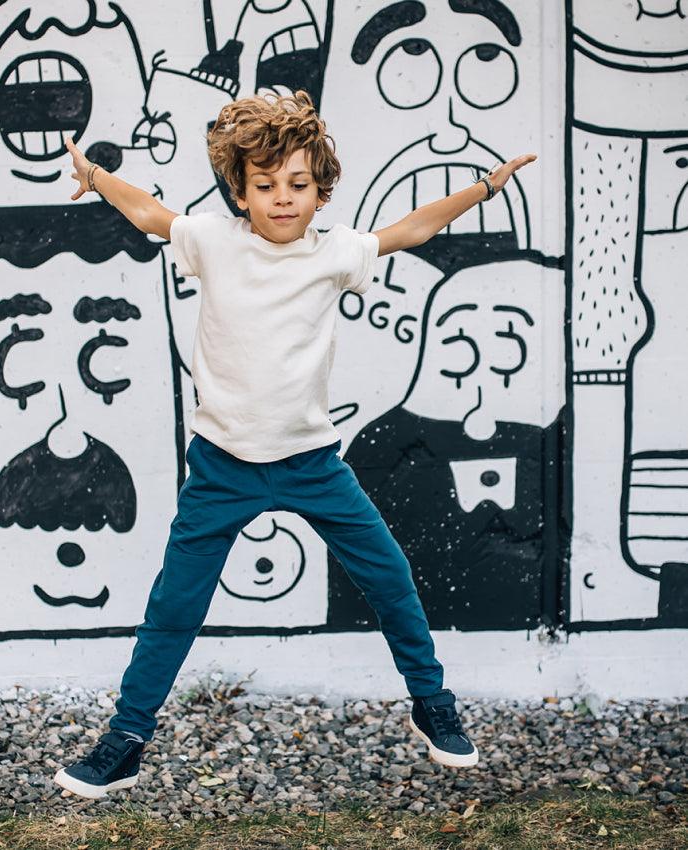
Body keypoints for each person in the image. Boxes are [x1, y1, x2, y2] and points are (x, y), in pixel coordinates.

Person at [54, 90, 536, 799]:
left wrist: (486, 185)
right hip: (221, 466)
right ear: (240, 193)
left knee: (390, 576)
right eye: (266, 185)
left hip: (312, 464)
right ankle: (126, 739)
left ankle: (432, 705)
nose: (283, 199)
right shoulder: (213, 242)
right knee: (174, 605)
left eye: (299, 185)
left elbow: (413, 228)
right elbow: (150, 213)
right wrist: (96, 178)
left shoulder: (337, 252)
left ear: (321, 190)